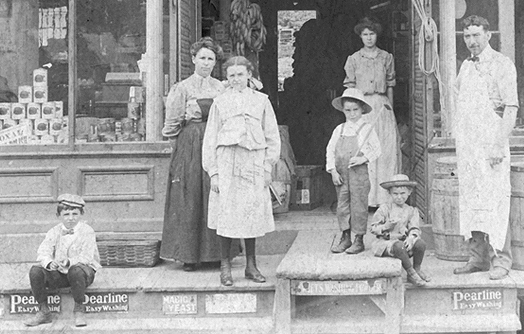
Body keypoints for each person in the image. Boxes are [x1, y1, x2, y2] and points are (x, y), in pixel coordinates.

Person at [160, 37, 238, 271]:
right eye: (202, 58)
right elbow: (171, 125)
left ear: (216, 62)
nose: (206, 63)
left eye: (211, 59)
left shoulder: (222, 87)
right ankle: (189, 256)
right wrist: (182, 150)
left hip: (216, 143)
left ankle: (216, 254)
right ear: (193, 59)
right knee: (190, 195)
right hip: (190, 145)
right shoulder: (182, 88)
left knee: (215, 195)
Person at [202, 56, 281, 286]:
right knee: (227, 212)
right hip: (227, 162)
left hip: (254, 162)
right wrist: (214, 172)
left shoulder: (261, 101)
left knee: (251, 213)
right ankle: (225, 265)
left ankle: (251, 265)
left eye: (241, 74)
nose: (237, 79)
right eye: (232, 75)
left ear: (249, 75)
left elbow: (272, 137)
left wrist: (267, 167)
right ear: (227, 78)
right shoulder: (220, 103)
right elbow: (210, 140)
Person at [453, 15, 518, 280]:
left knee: (495, 200)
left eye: (476, 35)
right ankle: (477, 258)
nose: (471, 41)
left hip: (492, 142)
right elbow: (461, 102)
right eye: (467, 36)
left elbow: (511, 109)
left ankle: (501, 260)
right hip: (470, 144)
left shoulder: (502, 64)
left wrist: (497, 144)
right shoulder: (466, 67)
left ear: (488, 35)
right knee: (472, 201)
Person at [343, 17, 401, 207]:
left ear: (377, 35)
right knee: (365, 149)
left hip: (382, 105)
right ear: (360, 37)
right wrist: (352, 114)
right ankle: (366, 199)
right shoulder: (353, 59)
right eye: (365, 35)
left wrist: (390, 109)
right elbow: (350, 88)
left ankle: (384, 199)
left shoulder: (386, 57)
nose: (369, 38)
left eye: (372, 34)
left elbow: (390, 84)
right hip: (362, 105)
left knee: (384, 151)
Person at [24, 194, 100, 327]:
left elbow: (87, 257)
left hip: (82, 274)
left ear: (81, 214)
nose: (71, 218)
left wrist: (69, 262)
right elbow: (43, 251)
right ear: (59, 215)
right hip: (60, 275)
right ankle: (44, 311)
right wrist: (49, 262)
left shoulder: (87, 231)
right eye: (66, 214)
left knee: (75, 270)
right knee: (35, 271)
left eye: (75, 214)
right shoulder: (54, 231)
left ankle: (79, 310)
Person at [327, 88, 381, 254]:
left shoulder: (367, 129)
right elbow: (330, 151)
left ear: (362, 110)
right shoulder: (339, 129)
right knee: (343, 206)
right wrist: (333, 171)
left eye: (355, 110)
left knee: (359, 206)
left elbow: (377, 150)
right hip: (342, 175)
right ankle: (345, 238)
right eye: (348, 110)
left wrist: (362, 158)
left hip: (359, 175)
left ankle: (358, 240)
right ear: (343, 110)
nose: (351, 114)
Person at [370, 174, 430, 287]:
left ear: (409, 192)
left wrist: (411, 237)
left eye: (402, 193)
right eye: (395, 194)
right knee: (398, 246)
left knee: (420, 244)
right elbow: (373, 228)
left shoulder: (411, 210)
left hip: (404, 242)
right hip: (386, 243)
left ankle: (417, 268)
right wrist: (386, 226)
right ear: (389, 193)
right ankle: (411, 273)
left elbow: (414, 228)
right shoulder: (384, 209)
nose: (399, 197)